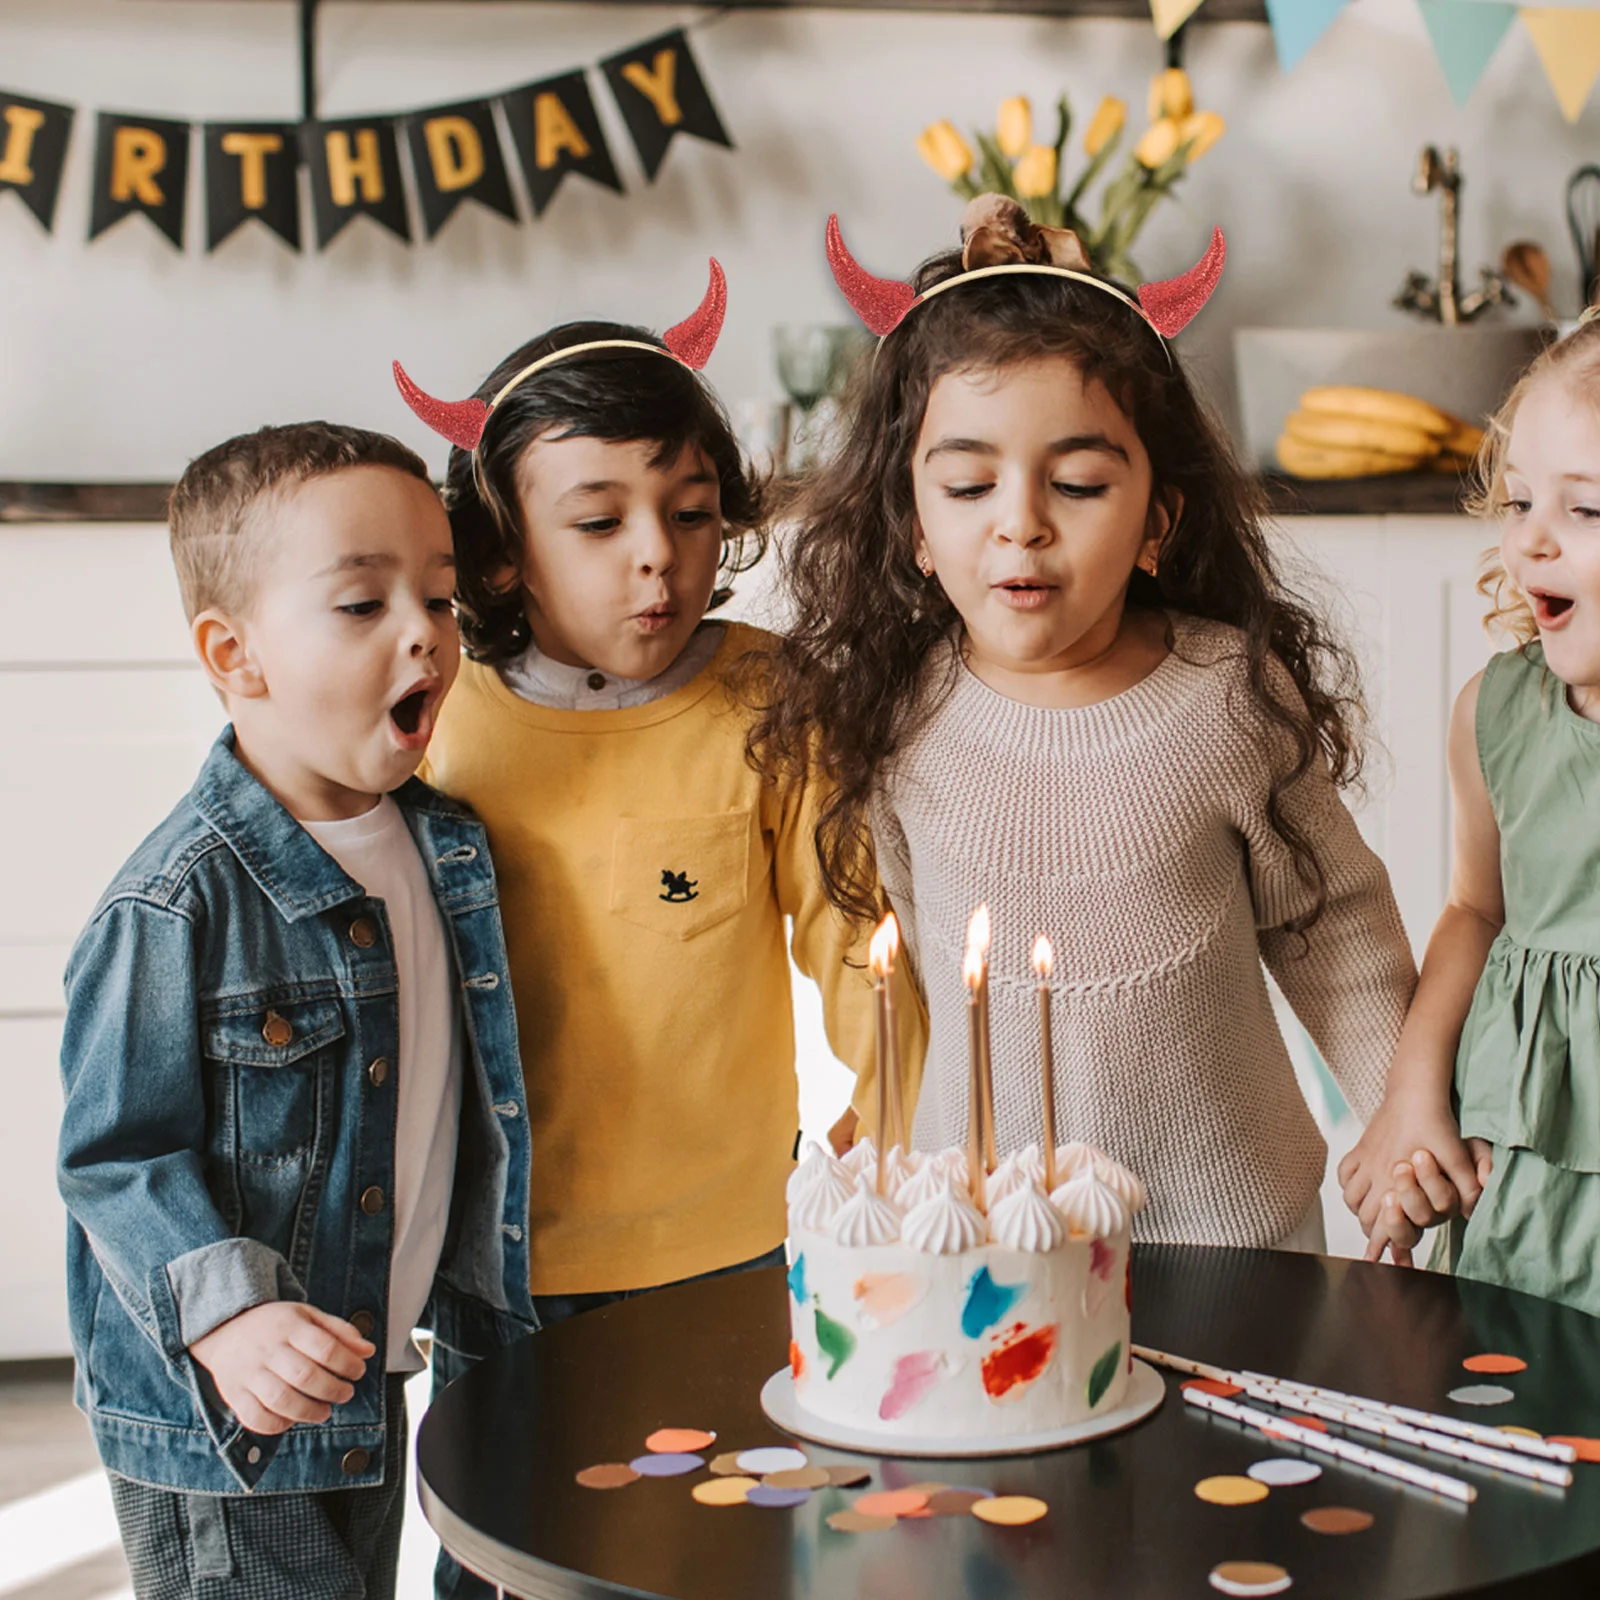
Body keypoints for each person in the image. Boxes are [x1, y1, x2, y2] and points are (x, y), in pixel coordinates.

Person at [747, 197, 1418, 1249]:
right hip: (982, 1249)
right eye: (968, 483)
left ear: (1157, 518)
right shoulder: (896, 713)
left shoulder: (1228, 696)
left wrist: (1402, 1119)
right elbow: (904, 968)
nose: (1021, 520)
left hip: (1235, 1250)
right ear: (912, 526)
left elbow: (1331, 928)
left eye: (1076, 481)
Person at [392, 266, 923, 1333]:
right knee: (514, 1500)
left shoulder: (774, 699)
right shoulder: (435, 717)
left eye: (690, 514)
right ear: (498, 556)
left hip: (735, 1241)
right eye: (598, 524)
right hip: (493, 1253)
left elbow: (861, 934)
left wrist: (899, 1125)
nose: (658, 556)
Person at [56, 424, 533, 1600]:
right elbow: (116, 1158)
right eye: (362, 604)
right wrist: (227, 1323)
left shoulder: (444, 846)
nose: (424, 629)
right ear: (236, 652)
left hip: (365, 1371)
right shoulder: (176, 900)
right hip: (228, 1424)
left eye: (438, 595)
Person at [1346, 318, 1600, 1315]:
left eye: (1584, 509)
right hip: (1522, 1188)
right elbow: (1474, 912)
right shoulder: (1491, 715)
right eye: (1520, 500)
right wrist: (1412, 1095)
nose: (1530, 537)